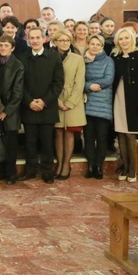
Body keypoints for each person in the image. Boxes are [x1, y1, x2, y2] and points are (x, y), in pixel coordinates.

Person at [18, 27, 64, 184]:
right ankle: (30, 170)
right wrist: (29, 101)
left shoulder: (53, 57)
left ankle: (46, 171)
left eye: (38, 37)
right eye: (32, 38)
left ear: (44, 39)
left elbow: (58, 83)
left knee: (46, 142)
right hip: (28, 106)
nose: (35, 40)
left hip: (47, 107)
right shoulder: (22, 58)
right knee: (29, 142)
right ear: (28, 40)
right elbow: (19, 84)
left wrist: (44, 101)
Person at [111, 27, 138, 183]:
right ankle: (125, 167)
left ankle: (133, 170)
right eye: (120, 39)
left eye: (126, 38)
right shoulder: (116, 58)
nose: (123, 41)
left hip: (134, 101)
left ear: (132, 39)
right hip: (118, 99)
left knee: (131, 134)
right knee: (121, 133)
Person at [0, 35, 24, 185]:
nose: (2, 48)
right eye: (1, 45)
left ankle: (11, 174)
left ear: (12, 48)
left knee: (10, 144)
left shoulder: (18, 66)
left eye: (6, 45)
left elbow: (18, 93)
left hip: (10, 111)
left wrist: (5, 111)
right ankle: (2, 171)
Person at [51, 29, 86, 180]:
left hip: (74, 100)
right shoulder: (51, 57)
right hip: (56, 98)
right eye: (61, 40)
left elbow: (80, 83)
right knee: (58, 132)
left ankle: (66, 164)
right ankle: (59, 163)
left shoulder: (78, 58)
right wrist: (58, 101)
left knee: (70, 132)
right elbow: (49, 81)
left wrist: (70, 102)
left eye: (67, 40)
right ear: (55, 42)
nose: (64, 43)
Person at [83, 34, 114, 179]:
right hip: (88, 102)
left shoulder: (108, 61)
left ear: (102, 46)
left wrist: (96, 85)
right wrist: (89, 86)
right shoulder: (83, 61)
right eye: (92, 44)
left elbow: (108, 79)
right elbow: (79, 79)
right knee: (88, 137)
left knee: (101, 137)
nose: (94, 46)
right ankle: (90, 166)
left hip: (103, 104)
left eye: (98, 44)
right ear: (88, 44)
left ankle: (98, 166)